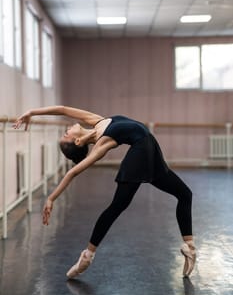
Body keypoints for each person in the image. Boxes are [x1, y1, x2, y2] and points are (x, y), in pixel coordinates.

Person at [13, 105, 196, 279]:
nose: (67, 129)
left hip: (151, 150)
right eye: (66, 134)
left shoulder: (97, 121)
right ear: (77, 141)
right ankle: (87, 256)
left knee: (185, 194)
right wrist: (51, 198)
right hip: (141, 151)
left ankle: (190, 248)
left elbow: (62, 109)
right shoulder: (102, 143)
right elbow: (73, 172)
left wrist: (31, 112)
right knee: (117, 206)